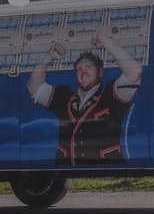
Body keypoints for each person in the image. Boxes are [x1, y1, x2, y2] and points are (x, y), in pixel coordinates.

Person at [27, 26, 143, 164]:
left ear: (100, 72)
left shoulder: (111, 94)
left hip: (105, 169)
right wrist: (48, 57)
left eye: (89, 67)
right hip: (67, 169)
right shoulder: (65, 97)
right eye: (79, 69)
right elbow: (34, 87)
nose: (83, 72)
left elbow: (135, 72)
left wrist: (106, 42)